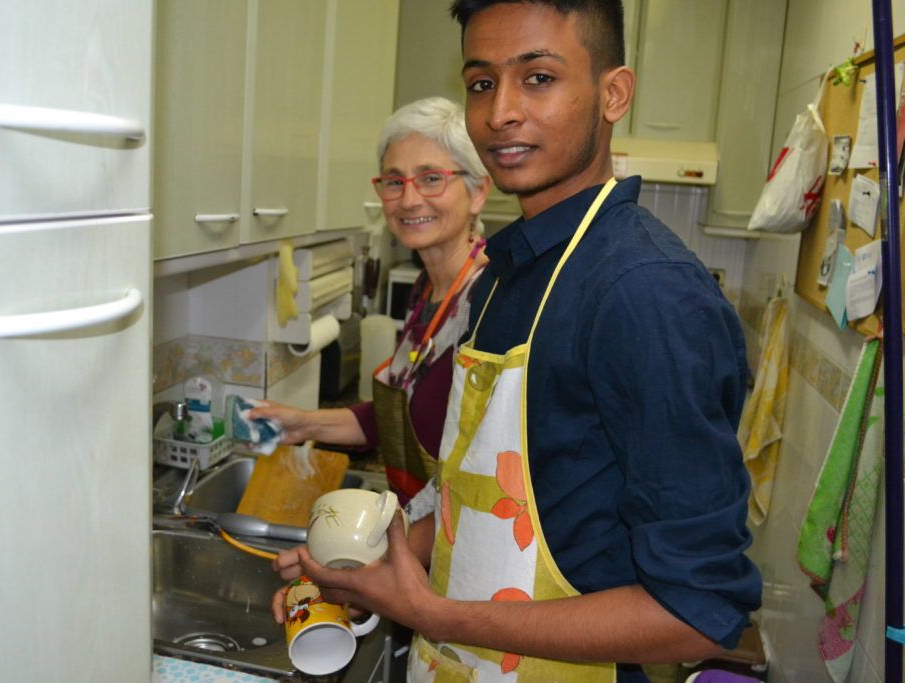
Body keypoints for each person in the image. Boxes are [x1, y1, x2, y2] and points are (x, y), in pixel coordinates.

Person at [271, 2, 762, 681]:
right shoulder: (515, 270)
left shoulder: (645, 293)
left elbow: (697, 607)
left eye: (537, 78)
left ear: (613, 93)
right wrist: (370, 562)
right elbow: (476, 501)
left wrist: (435, 613)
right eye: (481, 83)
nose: (500, 112)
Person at [251, 97, 492, 504]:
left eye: (431, 178)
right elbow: (394, 417)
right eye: (394, 181)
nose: (409, 199)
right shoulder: (426, 288)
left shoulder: (490, 299)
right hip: (414, 523)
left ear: (478, 191)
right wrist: (303, 424)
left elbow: (487, 471)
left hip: (453, 541)